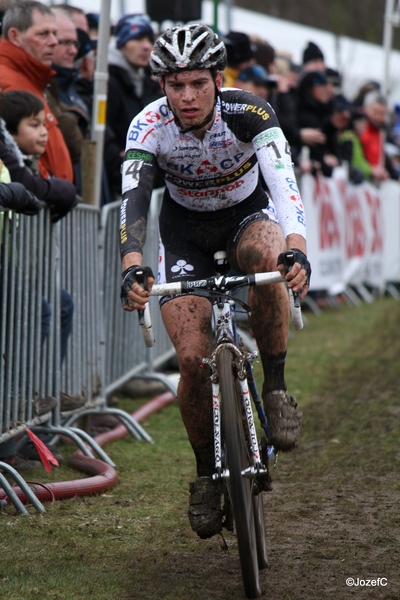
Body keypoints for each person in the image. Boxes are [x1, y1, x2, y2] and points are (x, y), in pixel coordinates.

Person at [119, 24, 311, 540]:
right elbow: (133, 203)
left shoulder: (249, 111)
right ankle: (205, 473)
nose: (187, 96)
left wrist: (298, 249)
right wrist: (132, 265)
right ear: (162, 85)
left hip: (248, 217)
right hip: (184, 237)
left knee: (268, 258)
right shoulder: (148, 127)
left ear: (217, 79)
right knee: (190, 359)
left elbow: (284, 183)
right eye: (176, 84)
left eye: (198, 84)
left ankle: (276, 385)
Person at [0, 0, 73, 182]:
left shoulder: (32, 79)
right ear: (15, 36)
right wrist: (49, 187)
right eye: (43, 34)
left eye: (54, 34)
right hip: (33, 203)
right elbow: (12, 152)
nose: (54, 42)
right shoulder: (7, 82)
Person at [105, 13, 162, 199]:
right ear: (122, 42)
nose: (146, 46)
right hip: (121, 184)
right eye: (137, 38)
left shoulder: (150, 84)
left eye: (149, 39)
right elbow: (104, 133)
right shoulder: (107, 82)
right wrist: (122, 169)